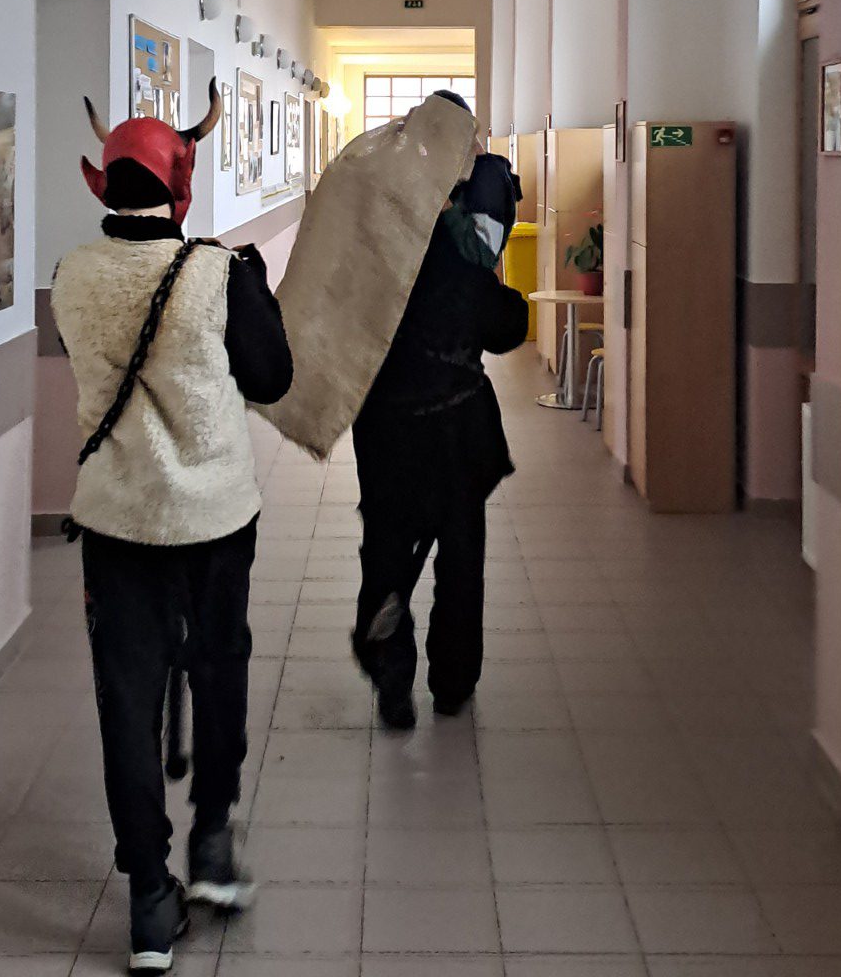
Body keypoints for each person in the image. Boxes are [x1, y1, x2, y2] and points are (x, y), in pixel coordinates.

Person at [51, 85, 292, 973]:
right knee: (219, 672)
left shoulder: (72, 275)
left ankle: (151, 901)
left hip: (117, 524)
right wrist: (254, 288)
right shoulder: (220, 274)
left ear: (102, 184)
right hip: (215, 520)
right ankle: (214, 843)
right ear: (179, 187)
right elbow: (271, 378)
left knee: (127, 702)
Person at [351, 94, 529, 730]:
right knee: (460, 555)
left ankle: (391, 676)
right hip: (457, 424)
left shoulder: (379, 232)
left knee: (387, 546)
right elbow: (504, 329)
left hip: (385, 425)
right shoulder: (464, 241)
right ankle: (452, 682)